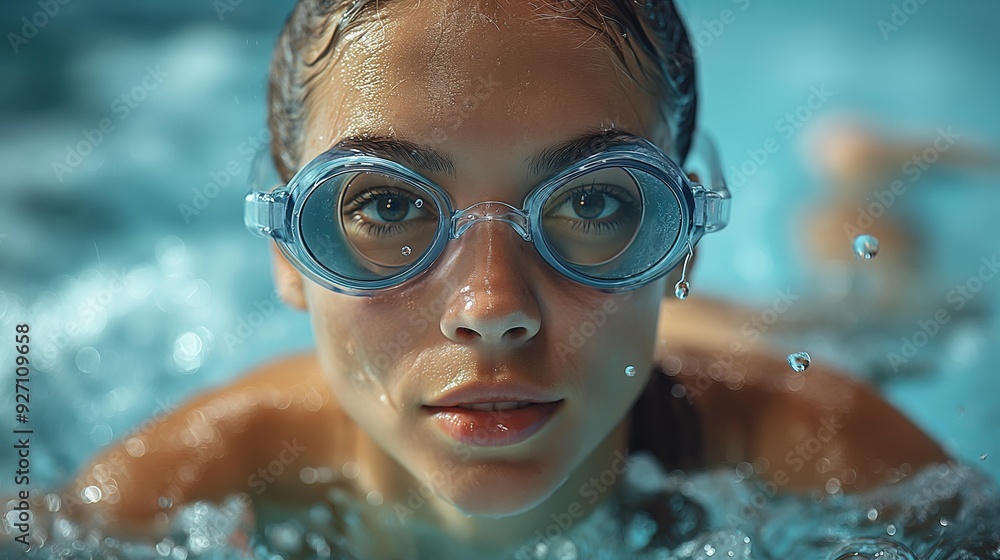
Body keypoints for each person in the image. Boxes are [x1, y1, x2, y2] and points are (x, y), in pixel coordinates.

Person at [48, 1, 947, 557]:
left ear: (683, 239)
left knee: (885, 319)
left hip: (736, 344)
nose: (492, 310)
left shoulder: (822, 444)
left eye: (596, 205)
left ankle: (865, 183)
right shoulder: (198, 472)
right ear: (287, 250)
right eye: (389, 209)